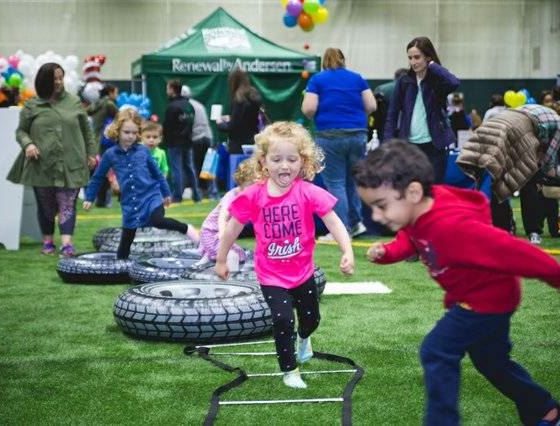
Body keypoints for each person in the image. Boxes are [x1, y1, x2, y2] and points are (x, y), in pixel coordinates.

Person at [353, 139, 560, 426]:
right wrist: (388, 253)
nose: (376, 216)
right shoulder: (419, 210)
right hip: (481, 297)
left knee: (436, 350)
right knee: (492, 363)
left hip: (485, 302)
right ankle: (544, 409)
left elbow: (516, 252)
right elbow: (412, 237)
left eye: (381, 206)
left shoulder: (453, 228)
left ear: (413, 192)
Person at [215, 121, 354, 389]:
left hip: (303, 273)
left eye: (292, 159)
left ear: (302, 162)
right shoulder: (254, 195)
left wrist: (347, 251)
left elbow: (334, 222)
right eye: (276, 159)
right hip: (271, 276)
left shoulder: (308, 191)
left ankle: (305, 338)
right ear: (264, 162)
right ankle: (290, 370)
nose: (284, 166)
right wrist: (221, 259)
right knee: (282, 319)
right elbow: (233, 227)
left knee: (311, 320)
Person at [83, 109, 199, 259]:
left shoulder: (143, 151)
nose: (130, 136)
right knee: (127, 237)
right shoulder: (110, 154)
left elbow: (158, 174)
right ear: (117, 131)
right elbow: (98, 177)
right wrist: (89, 197)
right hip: (130, 202)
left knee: (158, 220)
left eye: (134, 132)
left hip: (151, 196)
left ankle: (186, 229)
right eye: (126, 132)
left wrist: (166, 193)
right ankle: (121, 263)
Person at [7, 62, 97, 256]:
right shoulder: (32, 105)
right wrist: (28, 144)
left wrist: (91, 153)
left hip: (71, 163)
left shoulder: (74, 102)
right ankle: (47, 241)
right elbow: (21, 131)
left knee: (67, 204)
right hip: (42, 165)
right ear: (44, 81)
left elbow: (87, 132)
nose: (58, 82)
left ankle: (67, 244)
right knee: (46, 206)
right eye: (54, 78)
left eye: (60, 77)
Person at [301, 47, 377, 241]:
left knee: (335, 183)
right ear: (343, 60)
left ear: (324, 62)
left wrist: (317, 114)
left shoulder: (317, 80)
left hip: (329, 135)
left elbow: (309, 108)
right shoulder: (357, 78)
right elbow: (371, 106)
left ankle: (340, 230)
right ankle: (356, 223)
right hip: (357, 134)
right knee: (352, 180)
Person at [384, 36, 460, 183]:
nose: (413, 62)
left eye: (417, 57)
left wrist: (433, 66)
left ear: (428, 57)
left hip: (435, 146)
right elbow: (392, 114)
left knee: (434, 190)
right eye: (410, 58)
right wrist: (387, 144)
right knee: (411, 188)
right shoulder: (404, 81)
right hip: (409, 146)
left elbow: (454, 82)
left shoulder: (437, 81)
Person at [196, 159, 255, 269]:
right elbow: (223, 216)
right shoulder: (231, 196)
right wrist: (223, 233)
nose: (255, 190)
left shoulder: (251, 196)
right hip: (212, 233)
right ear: (241, 182)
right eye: (251, 186)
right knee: (233, 256)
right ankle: (231, 283)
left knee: (242, 256)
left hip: (223, 233)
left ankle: (208, 258)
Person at [163, 79, 201, 203]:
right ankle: (196, 194)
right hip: (187, 141)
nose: (166, 90)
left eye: (168, 88)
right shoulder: (189, 106)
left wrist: (167, 138)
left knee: (176, 169)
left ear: (172, 90)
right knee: (190, 168)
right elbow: (191, 123)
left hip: (175, 142)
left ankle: (177, 196)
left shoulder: (172, 107)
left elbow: (167, 126)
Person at [182, 84, 217, 199]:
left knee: (195, 167)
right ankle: (211, 192)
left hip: (197, 139)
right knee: (208, 167)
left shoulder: (186, 106)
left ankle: (198, 192)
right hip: (208, 137)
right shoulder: (198, 105)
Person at [87, 83, 119, 207]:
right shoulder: (109, 104)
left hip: (95, 141)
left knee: (98, 171)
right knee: (107, 170)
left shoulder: (96, 103)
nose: (116, 95)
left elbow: (88, 111)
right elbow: (120, 117)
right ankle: (104, 200)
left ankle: (98, 199)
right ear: (110, 93)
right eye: (115, 92)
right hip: (106, 141)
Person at [216, 68, 262, 154]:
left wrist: (220, 124)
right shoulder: (254, 95)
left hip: (238, 145)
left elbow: (234, 126)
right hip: (252, 141)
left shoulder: (239, 99)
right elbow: (247, 119)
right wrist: (231, 117)